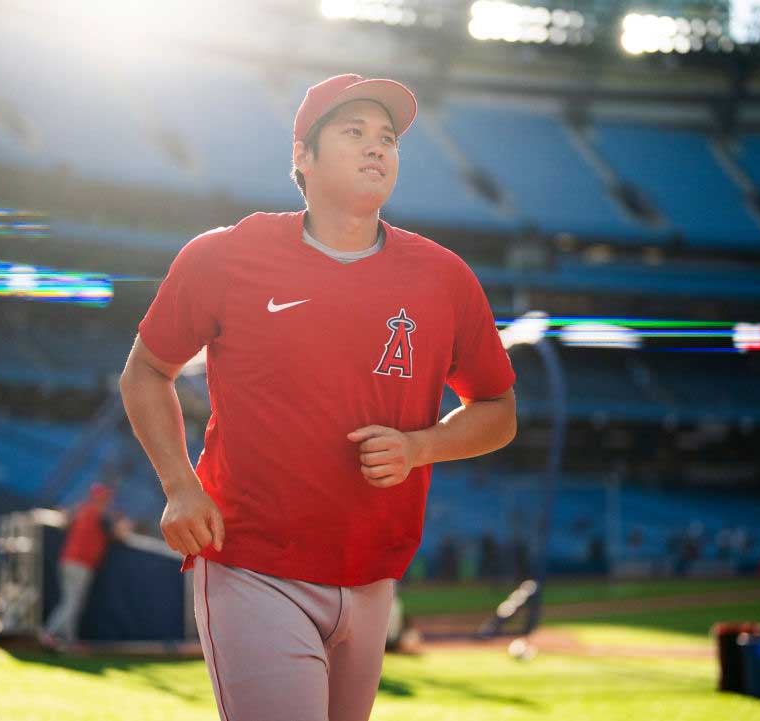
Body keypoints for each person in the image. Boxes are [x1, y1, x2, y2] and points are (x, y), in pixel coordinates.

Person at [119, 73, 517, 721]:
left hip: (374, 579)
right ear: (302, 157)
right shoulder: (225, 256)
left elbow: (499, 412)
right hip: (253, 565)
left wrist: (421, 446)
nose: (377, 147)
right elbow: (145, 371)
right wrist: (179, 483)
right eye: (353, 132)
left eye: (387, 137)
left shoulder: (444, 278)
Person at [39, 482, 131, 649]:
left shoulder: (81, 509)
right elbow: (121, 535)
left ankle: (68, 639)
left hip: (68, 561)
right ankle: (48, 633)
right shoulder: (101, 515)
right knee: (72, 602)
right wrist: (123, 521)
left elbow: (64, 519)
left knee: (72, 601)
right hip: (80, 563)